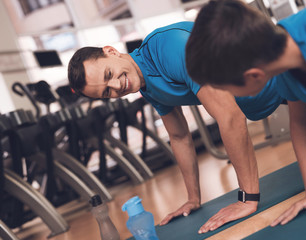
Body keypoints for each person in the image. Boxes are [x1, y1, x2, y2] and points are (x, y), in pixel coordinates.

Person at [68, 21, 286, 234]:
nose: (117, 87)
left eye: (108, 75)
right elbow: (179, 136)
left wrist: (247, 199)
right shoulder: (146, 85)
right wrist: (193, 199)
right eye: (107, 92)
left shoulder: (170, 47)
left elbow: (230, 117)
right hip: (277, 92)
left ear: (111, 51)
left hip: (288, 69)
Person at [186, 0, 306, 229]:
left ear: (254, 76)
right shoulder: (283, 65)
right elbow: (300, 124)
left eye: (227, 89)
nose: (228, 95)